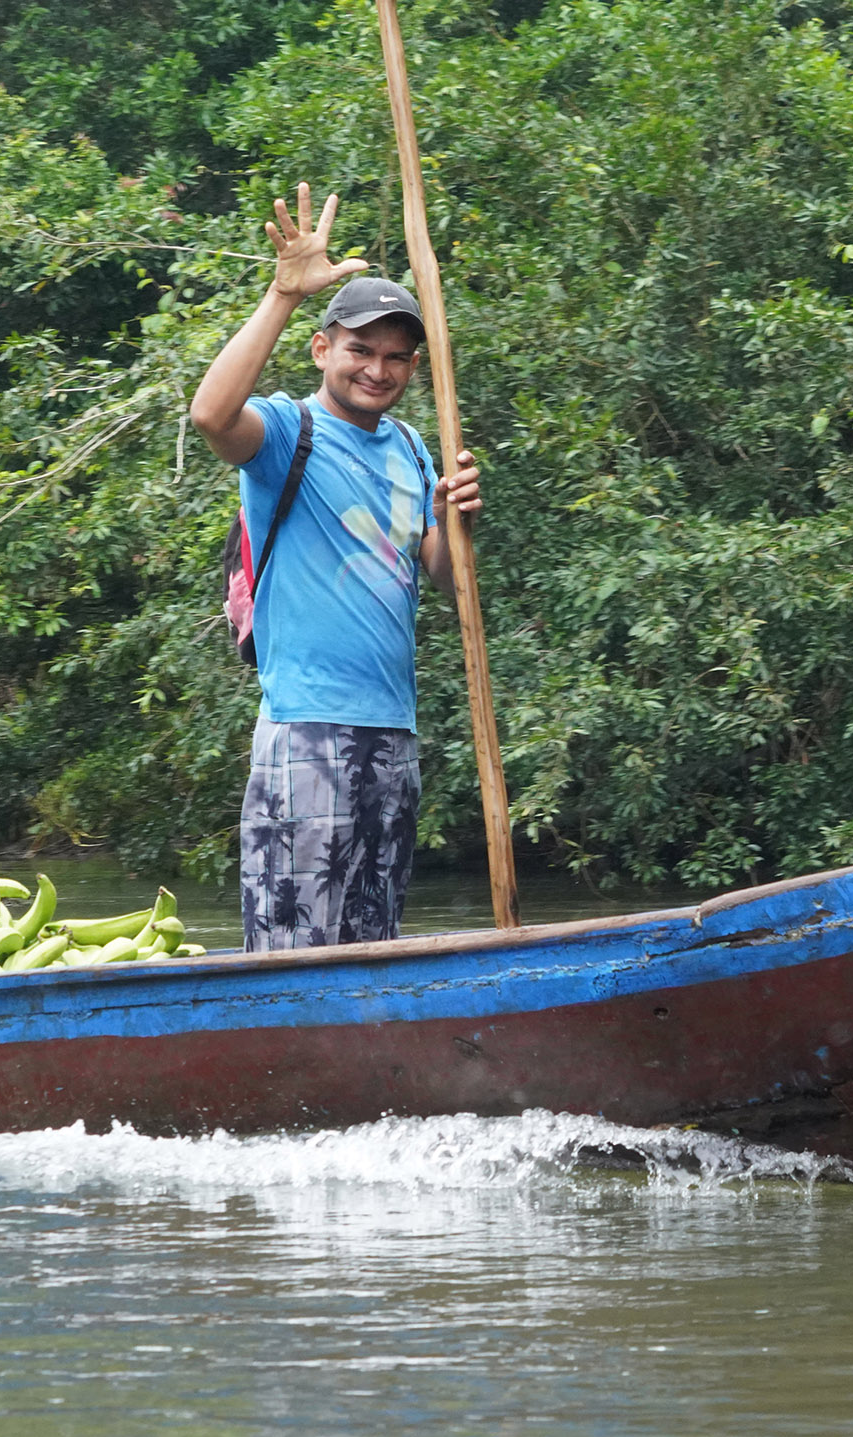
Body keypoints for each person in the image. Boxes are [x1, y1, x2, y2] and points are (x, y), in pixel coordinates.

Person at [187, 181, 483, 952]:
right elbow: (212, 416)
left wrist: (458, 516)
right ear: (324, 350)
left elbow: (444, 579)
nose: (377, 371)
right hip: (307, 729)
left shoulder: (414, 450)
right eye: (360, 350)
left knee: (373, 948)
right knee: (295, 948)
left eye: (395, 358)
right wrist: (283, 293)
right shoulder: (289, 430)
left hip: (393, 733)